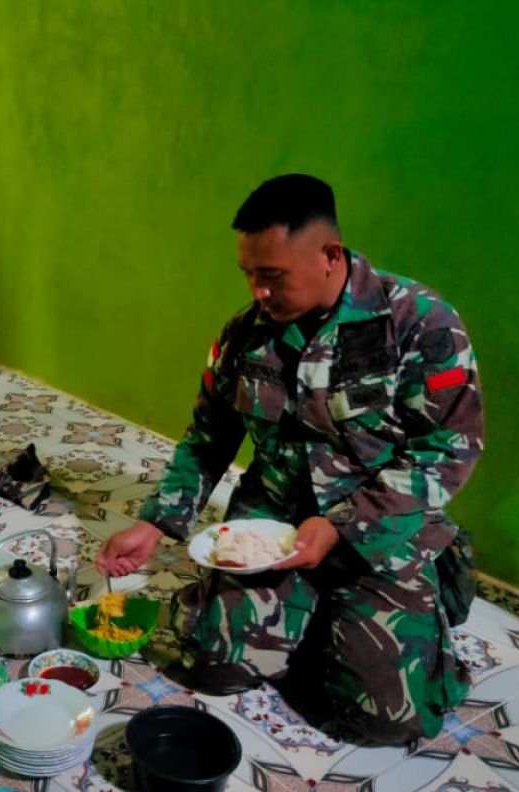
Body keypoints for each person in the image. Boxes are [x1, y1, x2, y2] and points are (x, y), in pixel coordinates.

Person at [96, 174, 483, 745]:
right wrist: (157, 522)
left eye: (271, 275)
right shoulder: (244, 335)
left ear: (330, 255)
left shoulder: (419, 324)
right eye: (248, 274)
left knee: (386, 721)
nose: (257, 291)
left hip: (378, 533)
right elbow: (208, 436)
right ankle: (311, 617)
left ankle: (412, 611)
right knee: (215, 664)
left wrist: (345, 523)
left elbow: (452, 447)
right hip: (272, 530)